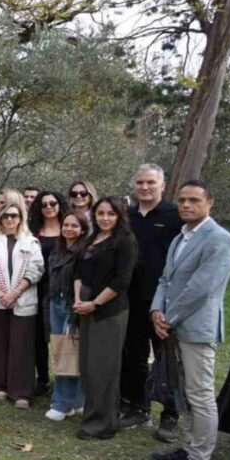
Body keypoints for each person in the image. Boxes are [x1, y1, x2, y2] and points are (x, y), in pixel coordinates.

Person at [150, 180, 230, 460]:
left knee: (201, 396)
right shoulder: (181, 237)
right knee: (185, 392)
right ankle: (189, 449)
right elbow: (165, 279)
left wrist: (168, 318)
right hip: (173, 324)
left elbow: (201, 288)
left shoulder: (218, 239)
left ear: (210, 203)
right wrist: (156, 311)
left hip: (197, 329)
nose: (187, 205)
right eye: (183, 200)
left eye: (194, 200)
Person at [121, 164, 182, 440]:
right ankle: (138, 406)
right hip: (130, 298)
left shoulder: (174, 215)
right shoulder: (127, 216)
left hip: (163, 301)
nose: (145, 187)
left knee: (166, 359)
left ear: (162, 185)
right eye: (140, 183)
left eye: (150, 183)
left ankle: (170, 414)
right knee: (134, 355)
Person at [73, 197, 138, 440]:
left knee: (103, 368)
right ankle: (92, 417)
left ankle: (102, 425)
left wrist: (95, 303)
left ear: (119, 216)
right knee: (88, 367)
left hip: (108, 311)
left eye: (110, 213)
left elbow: (121, 281)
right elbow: (78, 271)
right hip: (85, 307)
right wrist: (79, 299)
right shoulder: (92, 239)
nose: (105, 218)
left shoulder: (125, 241)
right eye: (100, 213)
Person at [0, 203, 44, 409]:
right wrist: (1, 293)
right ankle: (0, 386)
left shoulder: (31, 242)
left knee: (21, 346)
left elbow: (36, 269)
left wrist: (15, 293)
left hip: (23, 300)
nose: (10, 220)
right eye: (6, 216)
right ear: (0, 219)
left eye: (14, 216)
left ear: (21, 218)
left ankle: (21, 391)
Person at [44, 210, 89, 422]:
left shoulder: (84, 252)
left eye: (74, 226)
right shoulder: (57, 251)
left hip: (73, 305)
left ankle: (62, 403)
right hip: (55, 303)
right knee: (63, 351)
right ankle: (74, 401)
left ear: (83, 229)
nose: (69, 229)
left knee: (69, 353)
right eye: (66, 225)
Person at [29, 191, 68, 394]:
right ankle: (42, 379)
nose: (49, 207)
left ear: (60, 205)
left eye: (53, 203)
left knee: (61, 337)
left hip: (62, 291)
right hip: (36, 288)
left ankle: (64, 383)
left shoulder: (68, 229)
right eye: (44, 204)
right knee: (38, 338)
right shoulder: (34, 231)